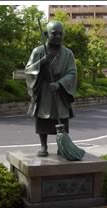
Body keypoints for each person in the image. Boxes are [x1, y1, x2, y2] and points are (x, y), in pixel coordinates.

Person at [25, 20, 77, 157]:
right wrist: (42, 62)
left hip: (60, 92)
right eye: (54, 34)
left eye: (61, 34)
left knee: (62, 121)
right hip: (44, 91)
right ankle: (43, 146)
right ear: (46, 34)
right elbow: (29, 70)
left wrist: (60, 84)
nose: (58, 36)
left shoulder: (68, 54)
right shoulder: (38, 51)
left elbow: (72, 73)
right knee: (43, 120)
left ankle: (62, 146)